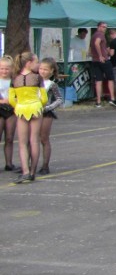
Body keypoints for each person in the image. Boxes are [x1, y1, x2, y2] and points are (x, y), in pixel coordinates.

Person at [8, 52, 47, 183]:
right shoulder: (37, 78)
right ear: (29, 63)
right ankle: (32, 172)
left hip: (21, 109)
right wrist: (39, 105)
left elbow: (11, 99)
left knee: (22, 143)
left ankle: (25, 171)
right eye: (36, 62)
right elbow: (44, 98)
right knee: (34, 140)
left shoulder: (14, 78)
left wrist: (18, 106)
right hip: (35, 107)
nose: (38, 64)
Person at [37, 58, 63, 175]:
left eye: (45, 69)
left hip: (46, 112)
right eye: (41, 69)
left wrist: (48, 107)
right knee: (31, 139)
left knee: (44, 138)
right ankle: (29, 164)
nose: (42, 71)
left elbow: (59, 99)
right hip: (33, 111)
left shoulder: (51, 84)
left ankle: (45, 165)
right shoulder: (34, 82)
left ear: (51, 71)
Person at [89, 22, 116, 107]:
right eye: (103, 27)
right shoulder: (100, 35)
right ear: (98, 27)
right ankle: (112, 98)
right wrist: (100, 55)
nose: (104, 28)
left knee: (98, 80)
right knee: (110, 78)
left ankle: (98, 101)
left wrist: (94, 54)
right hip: (103, 60)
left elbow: (91, 47)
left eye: (105, 27)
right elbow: (96, 43)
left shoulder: (93, 35)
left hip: (95, 60)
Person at [0, 56, 19, 172]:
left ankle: (9, 163)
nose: (4, 71)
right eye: (2, 68)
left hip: (11, 110)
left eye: (7, 69)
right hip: (0, 108)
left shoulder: (14, 81)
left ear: (11, 69)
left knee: (9, 137)